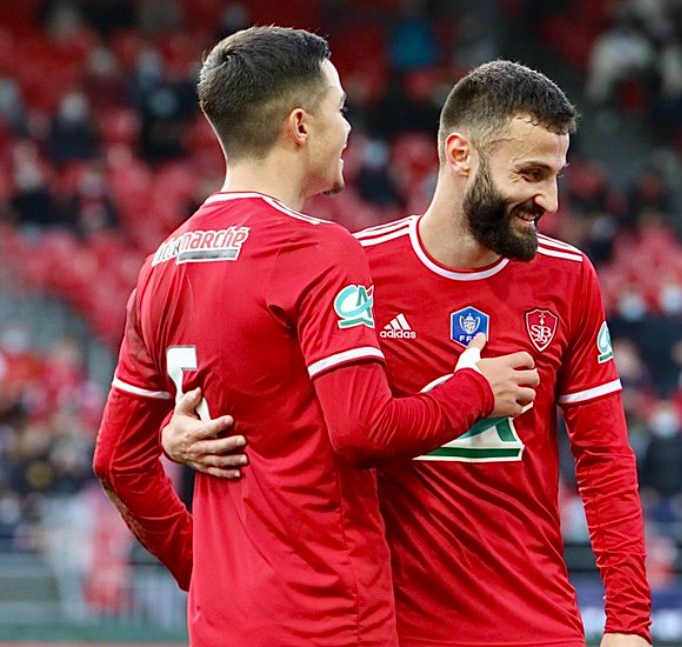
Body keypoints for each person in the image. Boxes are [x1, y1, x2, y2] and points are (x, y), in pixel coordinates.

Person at [165, 59, 653, 646]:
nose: (547, 199)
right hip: (387, 624)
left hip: (532, 622)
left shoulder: (569, 278)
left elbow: (605, 459)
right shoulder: (352, 268)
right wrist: (180, 428)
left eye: (555, 176)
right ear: (460, 154)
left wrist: (629, 623)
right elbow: (274, 404)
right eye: (530, 174)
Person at [92, 26, 539, 647]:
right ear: (301, 126)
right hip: (326, 616)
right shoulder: (316, 250)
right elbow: (362, 430)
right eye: (341, 109)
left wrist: (205, 568)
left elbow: (117, 460)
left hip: (223, 624)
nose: (349, 128)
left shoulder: (163, 263)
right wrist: (473, 390)